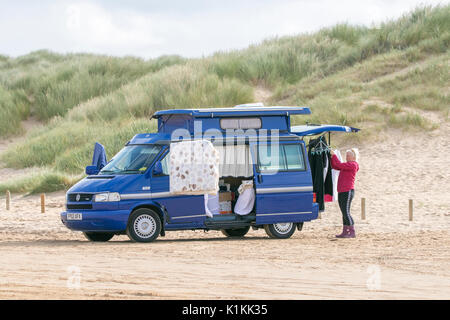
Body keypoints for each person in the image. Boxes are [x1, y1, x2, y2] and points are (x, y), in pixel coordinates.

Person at [330, 148, 359, 238]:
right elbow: (335, 166)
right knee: (343, 212)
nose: (346, 157)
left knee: (346, 212)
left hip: (348, 191)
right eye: (346, 155)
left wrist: (334, 155)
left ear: (353, 157)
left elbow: (338, 164)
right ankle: (345, 231)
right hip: (342, 191)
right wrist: (331, 157)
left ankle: (352, 231)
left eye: (348, 155)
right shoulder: (347, 164)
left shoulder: (353, 165)